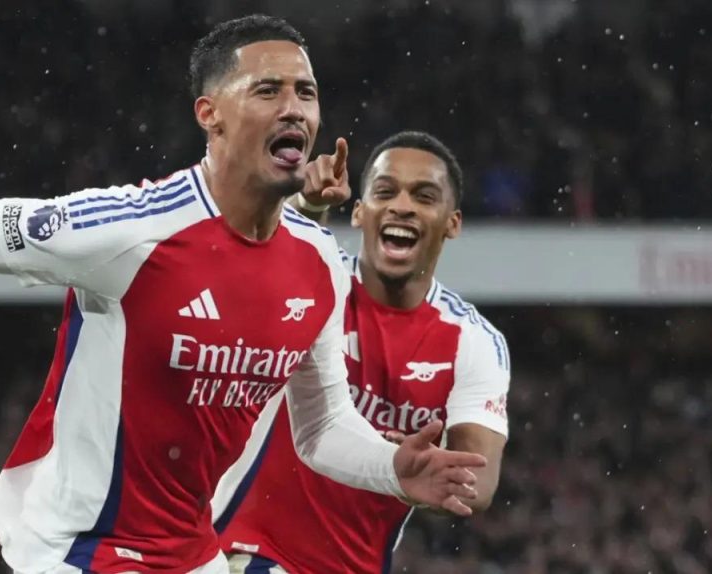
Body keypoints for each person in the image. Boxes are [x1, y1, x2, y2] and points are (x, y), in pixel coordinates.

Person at [0, 16, 487, 574]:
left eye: (306, 92)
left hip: (190, 551)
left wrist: (393, 468)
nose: (294, 107)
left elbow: (322, 426)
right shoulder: (134, 232)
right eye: (268, 90)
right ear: (210, 114)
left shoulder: (320, 264)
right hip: (78, 547)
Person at [215, 131, 510, 573]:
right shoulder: (318, 285)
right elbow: (260, 263)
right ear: (359, 211)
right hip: (248, 551)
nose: (402, 206)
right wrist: (307, 206)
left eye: (424, 196)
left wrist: (418, 469)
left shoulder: (474, 342)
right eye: (385, 192)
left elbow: (477, 482)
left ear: (452, 222)